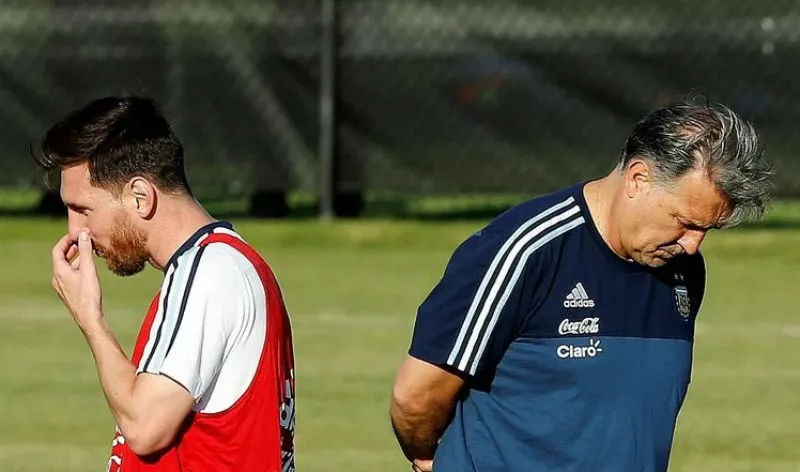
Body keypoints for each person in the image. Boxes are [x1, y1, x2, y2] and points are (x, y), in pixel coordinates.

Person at [390, 101, 774, 472]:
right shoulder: (524, 251)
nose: (692, 245)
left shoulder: (683, 271)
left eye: (707, 229)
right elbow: (417, 397)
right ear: (638, 179)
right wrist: (431, 457)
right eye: (686, 222)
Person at [33, 95, 296, 472]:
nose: (76, 231)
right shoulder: (214, 267)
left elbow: (145, 427)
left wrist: (91, 319)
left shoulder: (210, 272)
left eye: (83, 209)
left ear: (140, 197)